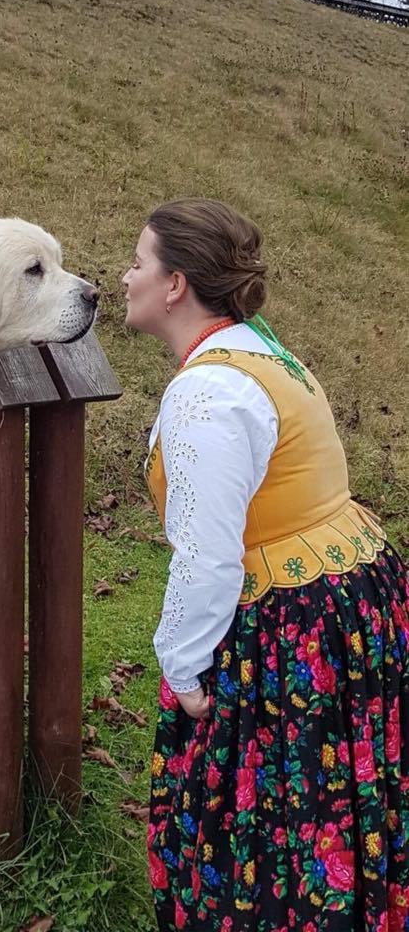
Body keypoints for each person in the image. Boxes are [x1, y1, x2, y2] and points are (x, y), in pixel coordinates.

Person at [121, 198, 409, 932]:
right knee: (342, 787)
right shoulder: (260, 349)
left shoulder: (208, 393)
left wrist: (183, 670)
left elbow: (209, 556)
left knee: (275, 807)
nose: (126, 278)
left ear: (176, 284)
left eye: (139, 263)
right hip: (352, 593)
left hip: (294, 627)